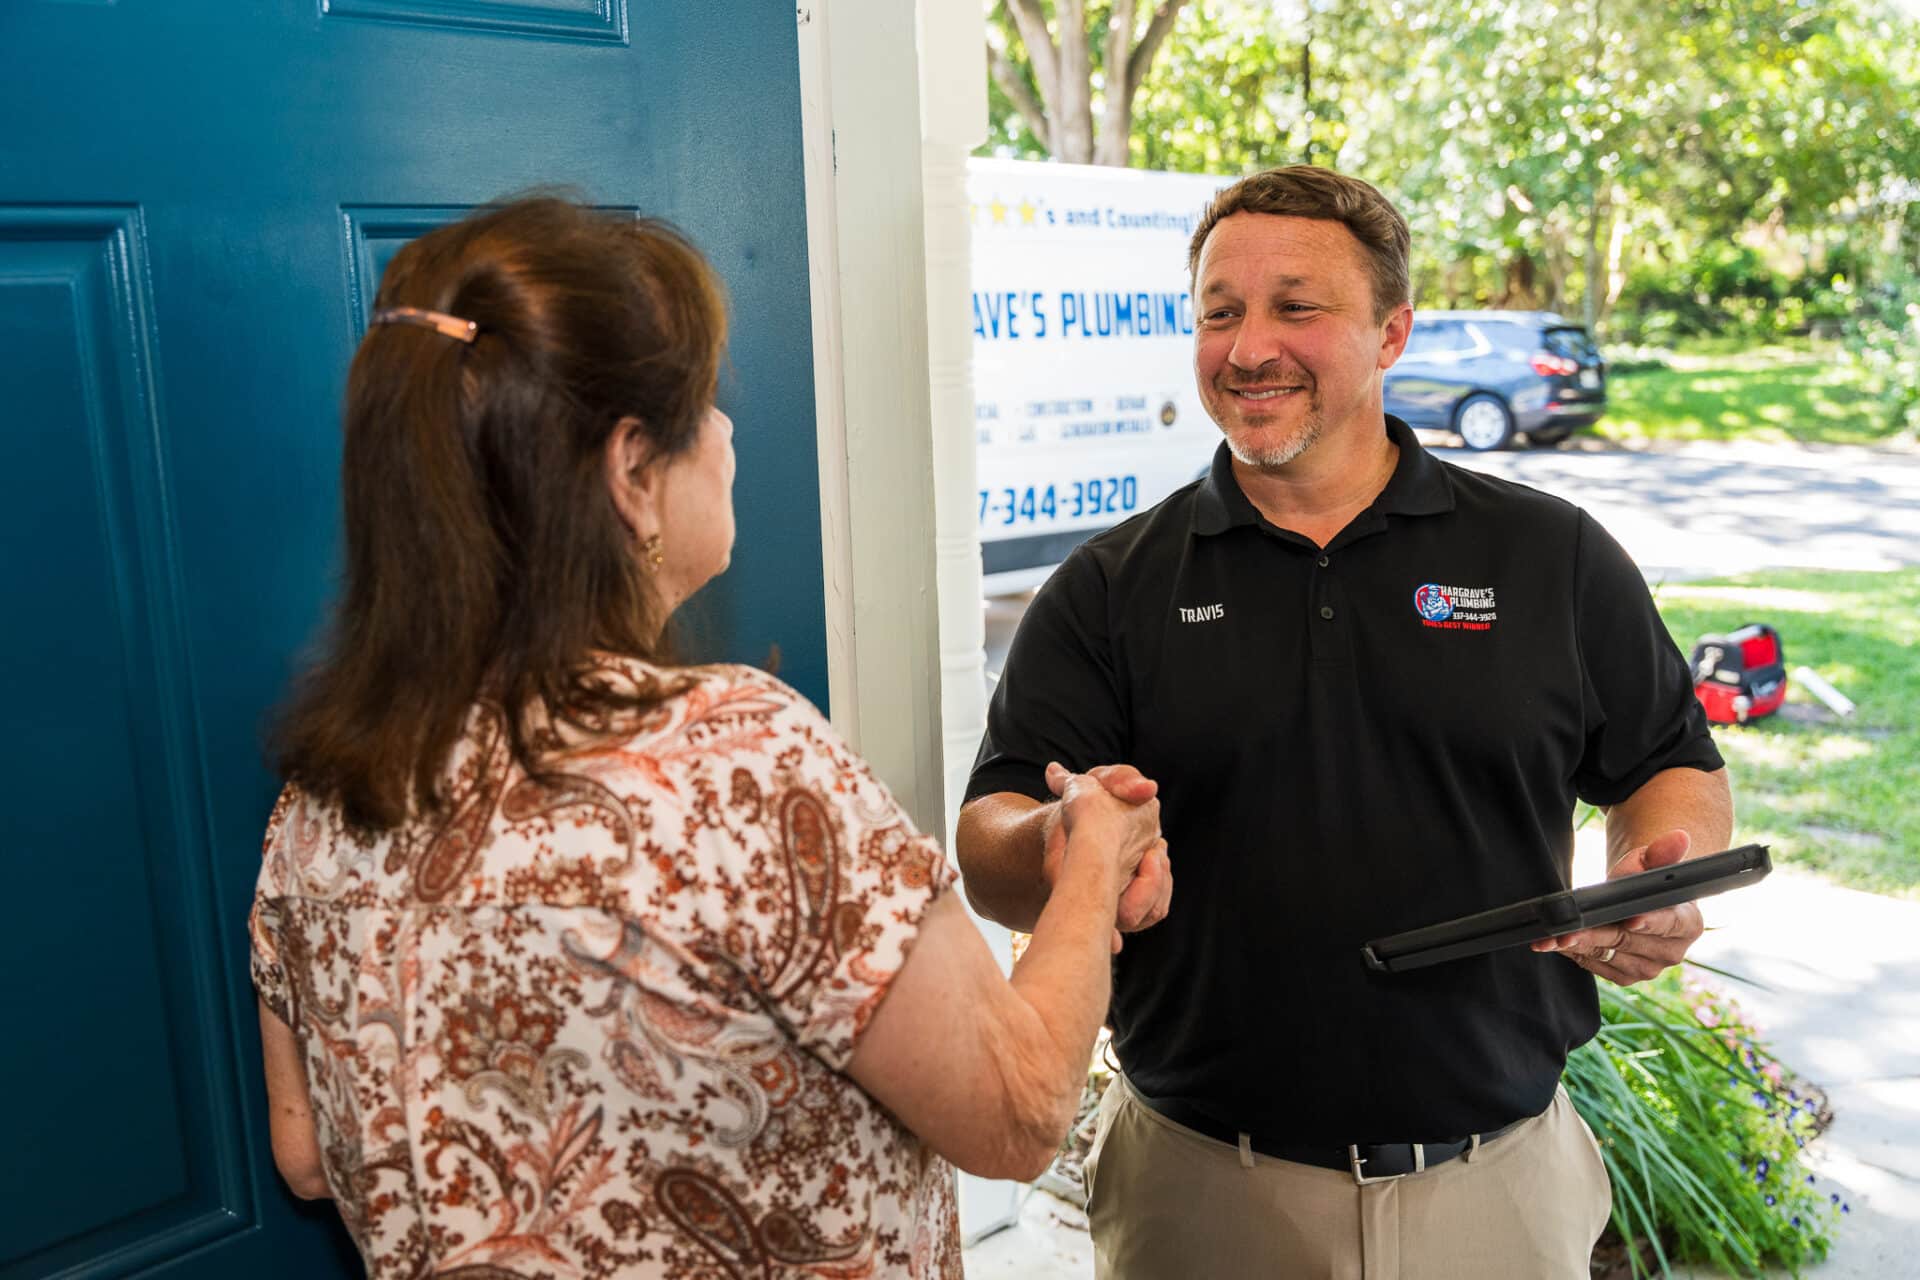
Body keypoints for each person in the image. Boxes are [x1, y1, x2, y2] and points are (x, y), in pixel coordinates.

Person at [247, 196, 1164, 1279]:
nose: (729, 435)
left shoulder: (326, 794)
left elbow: (307, 1153)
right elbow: (1015, 1114)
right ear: (632, 469)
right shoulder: (734, 767)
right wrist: (1097, 849)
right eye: (708, 403)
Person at [956, 166, 1734, 1279]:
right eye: (1219, 311)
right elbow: (990, 836)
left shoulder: (1548, 555)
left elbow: (1669, 762)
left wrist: (1662, 869)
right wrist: (1064, 842)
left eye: (1296, 307)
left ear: (1391, 333)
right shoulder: (1110, 587)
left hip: (1498, 1189)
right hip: (1200, 1190)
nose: (1248, 345)